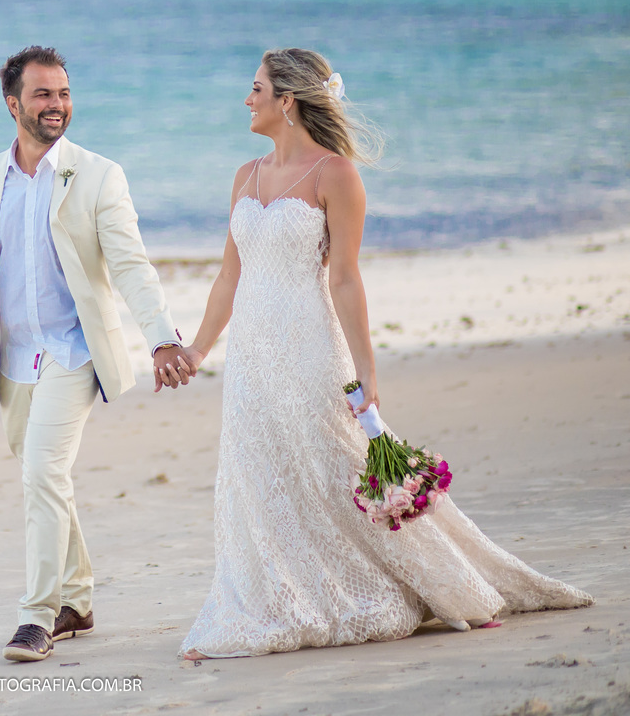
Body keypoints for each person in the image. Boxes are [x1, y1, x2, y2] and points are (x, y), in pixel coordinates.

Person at [176, 48, 592, 660]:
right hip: (250, 360)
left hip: (311, 349)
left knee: (338, 469)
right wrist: (197, 348)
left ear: (287, 101)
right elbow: (228, 278)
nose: (247, 99)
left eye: (256, 88)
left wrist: (366, 368)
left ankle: (440, 586)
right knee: (261, 476)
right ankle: (278, 599)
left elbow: (345, 277)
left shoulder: (336, 175)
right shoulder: (246, 175)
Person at [0, 46, 190, 662]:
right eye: (44, 94)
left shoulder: (98, 175)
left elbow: (130, 265)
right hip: (11, 358)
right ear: (13, 104)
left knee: (42, 474)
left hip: (73, 351)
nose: (57, 105)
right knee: (43, 475)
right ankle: (77, 601)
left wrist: (161, 336)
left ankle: (37, 616)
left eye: (64, 94)